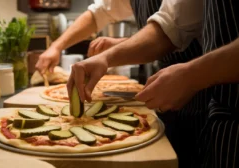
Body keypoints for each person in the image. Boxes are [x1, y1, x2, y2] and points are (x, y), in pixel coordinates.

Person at [36, 1, 212, 167]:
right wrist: (56, 46)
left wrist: (108, 56)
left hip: (202, 91)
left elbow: (168, 29)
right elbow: (99, 12)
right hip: (164, 91)